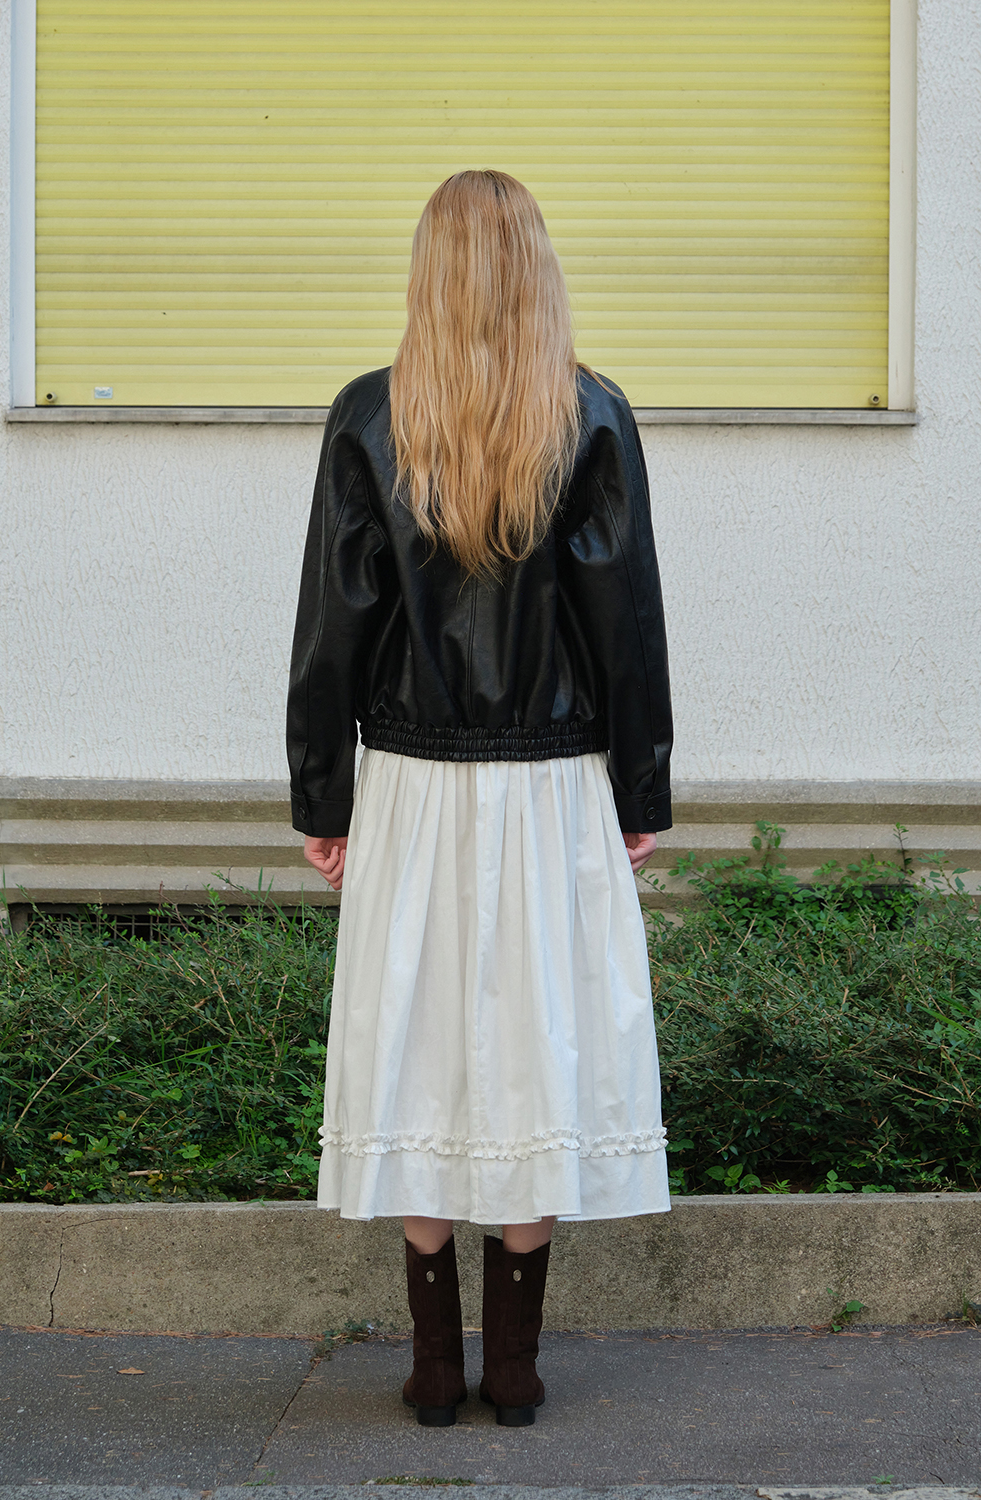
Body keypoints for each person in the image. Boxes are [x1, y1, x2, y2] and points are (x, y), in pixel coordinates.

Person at [287, 170, 672, 1429]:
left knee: (415, 1037)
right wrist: (640, 784)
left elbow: (334, 621)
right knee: (533, 1040)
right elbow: (626, 621)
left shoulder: (370, 415)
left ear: (429, 270)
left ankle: (433, 1367)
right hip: (551, 782)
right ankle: (513, 1368)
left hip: (410, 781)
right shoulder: (591, 413)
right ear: (536, 268)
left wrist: (323, 795)